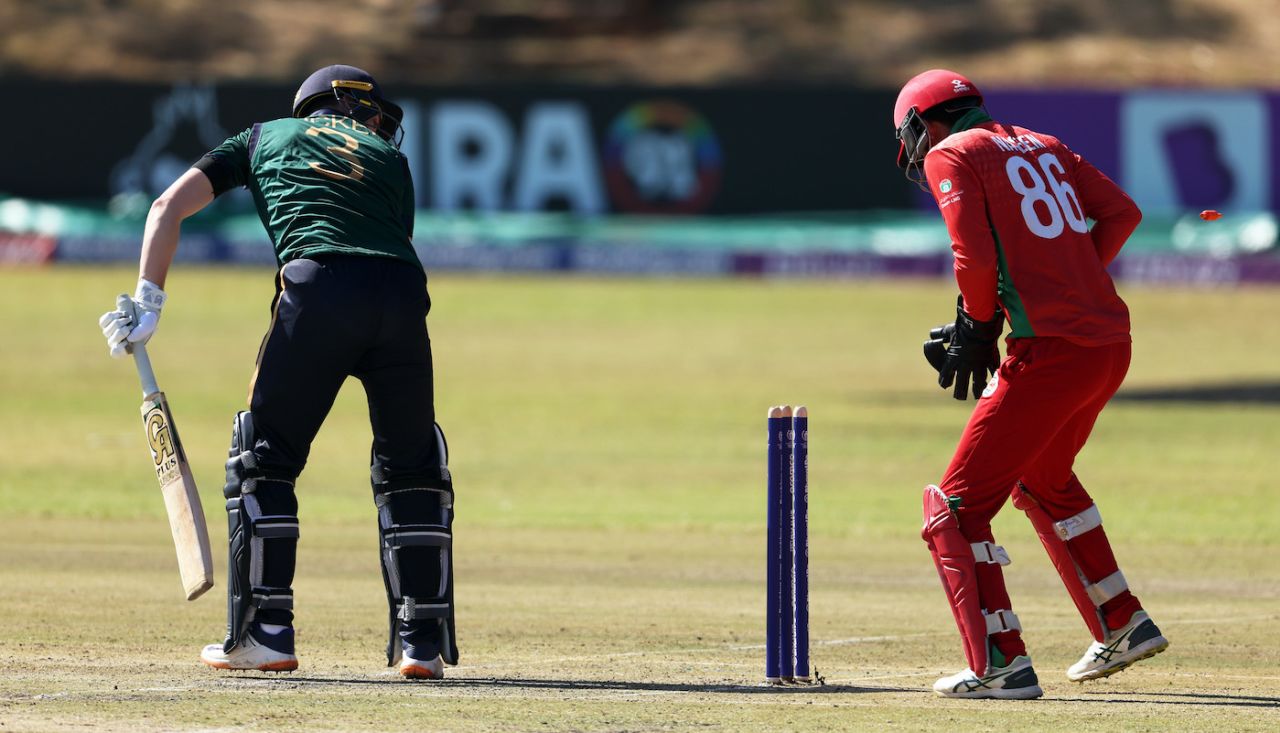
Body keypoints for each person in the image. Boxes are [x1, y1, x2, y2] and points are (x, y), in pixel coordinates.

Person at [98, 65, 457, 680]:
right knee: (413, 468)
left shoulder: (262, 137)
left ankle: (266, 634)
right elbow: (388, 246)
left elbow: (165, 206)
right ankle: (420, 644)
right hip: (402, 295)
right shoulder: (389, 161)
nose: (378, 125)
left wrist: (147, 304)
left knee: (263, 458)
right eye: (371, 112)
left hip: (318, 291)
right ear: (344, 103)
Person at [895, 69, 1169, 699]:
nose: (913, 151)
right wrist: (1065, 280)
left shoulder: (951, 152)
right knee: (1044, 481)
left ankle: (1000, 664)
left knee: (955, 512)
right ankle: (1122, 621)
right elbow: (1121, 213)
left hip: (1050, 353)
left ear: (923, 121)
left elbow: (972, 255)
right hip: (1108, 344)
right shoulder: (1043, 142)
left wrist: (978, 323)